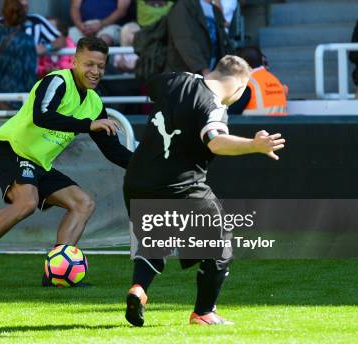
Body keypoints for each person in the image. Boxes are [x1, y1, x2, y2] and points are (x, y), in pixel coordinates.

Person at [0, 36, 133, 289]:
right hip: (10, 148)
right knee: (26, 203)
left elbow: (113, 151)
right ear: (75, 61)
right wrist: (87, 125)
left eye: (100, 66)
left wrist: (144, 165)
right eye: (89, 64)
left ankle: (55, 273)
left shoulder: (94, 103)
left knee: (83, 203)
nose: (95, 71)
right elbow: (42, 116)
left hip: (38, 161)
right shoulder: (57, 80)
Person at [122, 55, 285, 326]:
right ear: (240, 86)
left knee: (157, 241)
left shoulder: (175, 81)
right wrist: (253, 146)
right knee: (221, 241)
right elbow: (216, 141)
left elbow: (152, 85)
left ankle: (138, 289)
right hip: (179, 186)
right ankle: (204, 312)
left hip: (137, 181)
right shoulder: (213, 106)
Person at [0, 0, 65, 110]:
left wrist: (46, 47)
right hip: (10, 90)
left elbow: (60, 40)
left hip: (7, 92)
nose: (25, 3)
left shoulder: (37, 22)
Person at [166, 0, 232, 76]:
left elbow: (223, 44)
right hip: (184, 76)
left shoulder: (215, 10)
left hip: (210, 72)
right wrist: (204, 70)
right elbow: (184, 40)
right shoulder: (183, 5)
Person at [229, 46, 287, 115]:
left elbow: (229, 113)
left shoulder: (248, 84)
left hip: (256, 125)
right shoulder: (275, 80)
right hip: (280, 125)